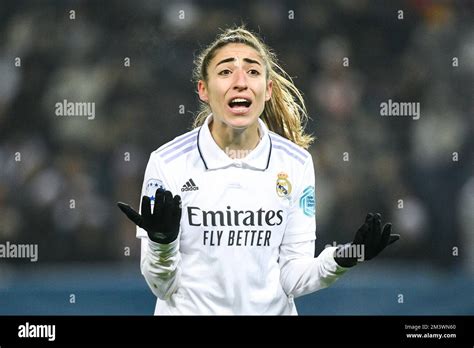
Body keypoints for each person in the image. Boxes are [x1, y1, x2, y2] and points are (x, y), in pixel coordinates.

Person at [117, 26, 400, 315]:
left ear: (267, 90)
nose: (240, 82)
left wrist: (346, 256)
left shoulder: (294, 163)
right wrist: (162, 244)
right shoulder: (168, 163)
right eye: (226, 72)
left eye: (252, 72)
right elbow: (161, 286)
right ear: (203, 89)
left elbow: (294, 276)